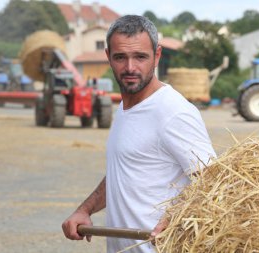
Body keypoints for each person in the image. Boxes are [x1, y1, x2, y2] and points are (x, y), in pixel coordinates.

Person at [62, 15, 216, 253]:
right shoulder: (125, 107)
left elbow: (213, 181)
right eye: (120, 57)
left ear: (157, 55)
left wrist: (175, 216)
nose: (130, 67)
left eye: (140, 57)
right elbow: (123, 172)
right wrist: (85, 209)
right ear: (108, 57)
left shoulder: (173, 112)